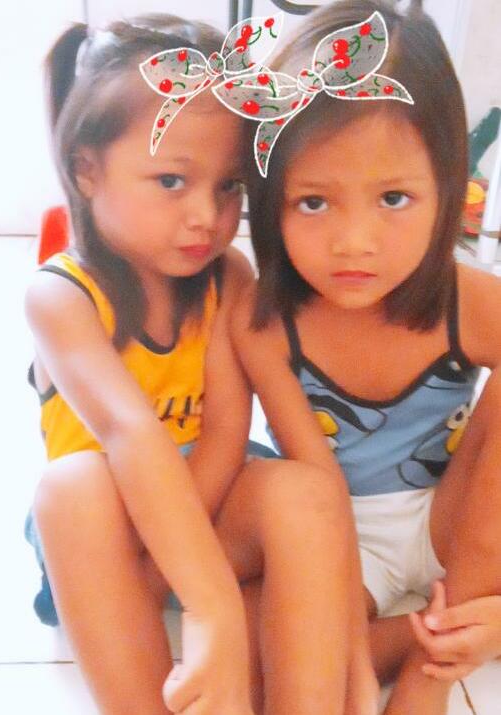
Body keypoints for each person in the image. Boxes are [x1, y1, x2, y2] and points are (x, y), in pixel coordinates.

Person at [24, 13, 370, 715]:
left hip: (203, 509)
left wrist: (188, 572)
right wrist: (211, 605)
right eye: (172, 181)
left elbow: (224, 433)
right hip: (108, 542)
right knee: (72, 486)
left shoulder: (227, 277)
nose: (206, 217)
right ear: (87, 170)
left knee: (303, 491)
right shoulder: (61, 296)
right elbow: (130, 434)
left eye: (229, 186)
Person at [228, 1, 501, 713]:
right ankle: (432, 635)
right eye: (314, 203)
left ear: (448, 187)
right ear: (269, 199)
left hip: (457, 521)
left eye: (394, 198)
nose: (355, 242)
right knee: (263, 654)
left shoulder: (470, 300)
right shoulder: (265, 325)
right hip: (341, 532)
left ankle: (433, 666)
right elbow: (316, 490)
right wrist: (347, 654)